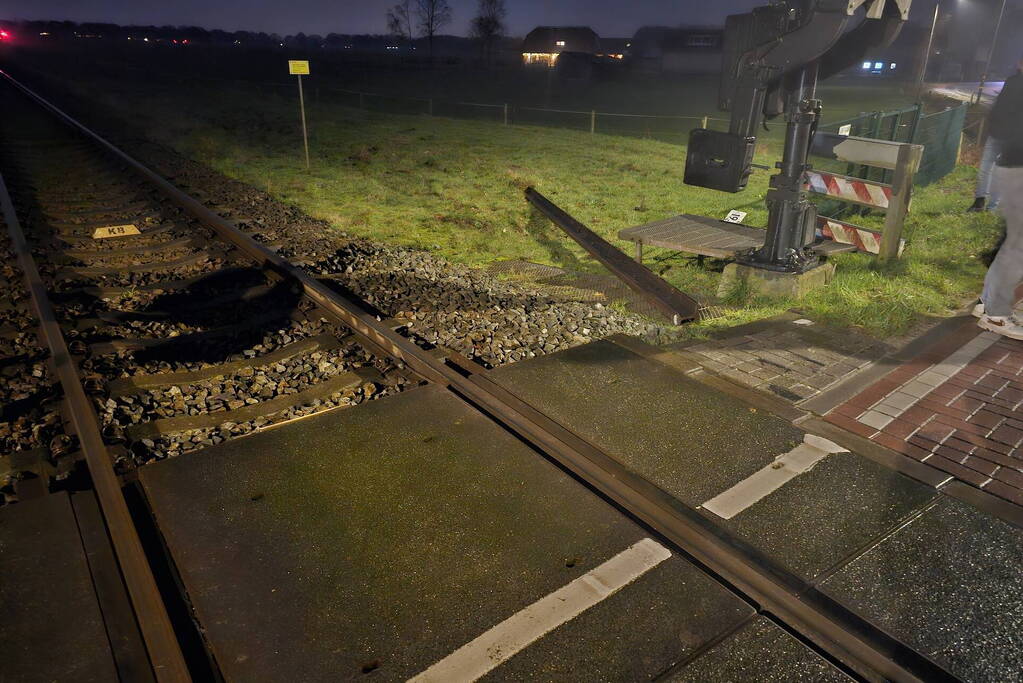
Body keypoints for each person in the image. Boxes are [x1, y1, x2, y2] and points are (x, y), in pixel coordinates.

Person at [977, 55, 1023, 338]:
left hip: (1014, 166)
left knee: (1013, 243)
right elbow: (1003, 128)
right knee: (1017, 247)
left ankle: (987, 304)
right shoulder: (1018, 85)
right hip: (1018, 168)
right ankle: (996, 315)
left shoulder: (1014, 83)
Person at [969, 58, 1022, 212]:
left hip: (1011, 137)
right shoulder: (1011, 81)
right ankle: (981, 202)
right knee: (987, 168)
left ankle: (991, 205)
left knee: (996, 171)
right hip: (999, 133)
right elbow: (1000, 104)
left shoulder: (1012, 81)